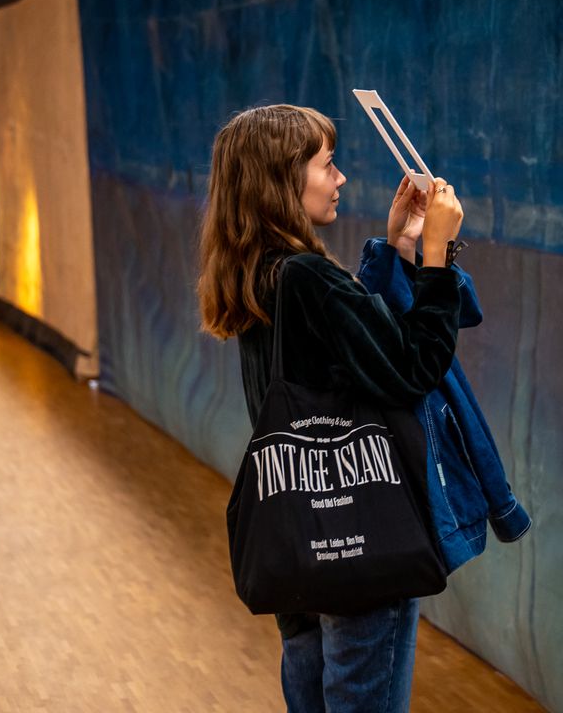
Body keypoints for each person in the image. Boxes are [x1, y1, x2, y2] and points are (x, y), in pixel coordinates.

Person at [196, 103, 465, 712]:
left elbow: (352, 354)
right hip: (359, 543)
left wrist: (399, 245)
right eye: (328, 164)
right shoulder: (309, 279)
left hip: (299, 541)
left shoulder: (256, 277)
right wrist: (437, 256)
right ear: (283, 180)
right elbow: (413, 367)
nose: (341, 177)